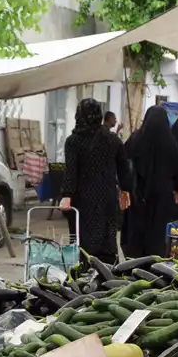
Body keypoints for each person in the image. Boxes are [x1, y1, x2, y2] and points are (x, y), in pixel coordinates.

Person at [58, 99, 130, 265]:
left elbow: (71, 171)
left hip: (83, 199)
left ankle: (83, 275)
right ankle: (107, 276)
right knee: (107, 238)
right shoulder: (113, 140)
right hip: (107, 197)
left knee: (82, 240)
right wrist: (125, 190)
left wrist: (67, 194)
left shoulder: (73, 141)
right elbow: (124, 169)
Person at [123, 105, 178, 257]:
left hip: (139, 193)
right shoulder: (170, 141)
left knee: (137, 227)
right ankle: (156, 260)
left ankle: (135, 259)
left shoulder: (136, 137)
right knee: (157, 229)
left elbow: (123, 157)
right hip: (161, 195)